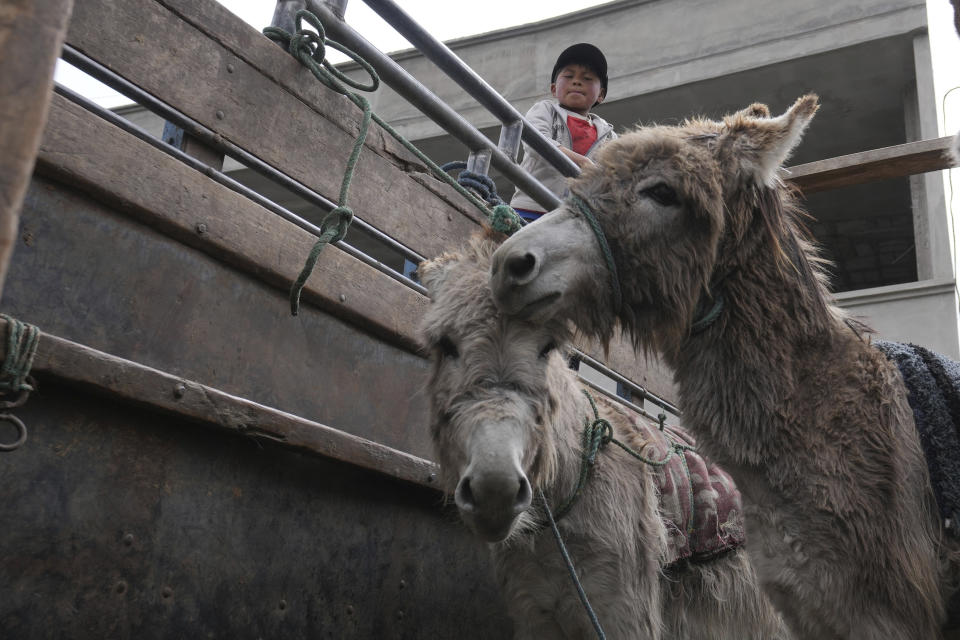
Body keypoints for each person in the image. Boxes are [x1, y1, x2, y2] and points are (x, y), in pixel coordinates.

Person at [510, 43, 618, 222]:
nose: (577, 81)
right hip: (532, 209)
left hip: (576, 219)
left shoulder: (608, 135)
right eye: (568, 76)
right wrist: (583, 162)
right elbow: (537, 143)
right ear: (553, 88)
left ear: (601, 94)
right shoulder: (545, 110)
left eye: (588, 78)